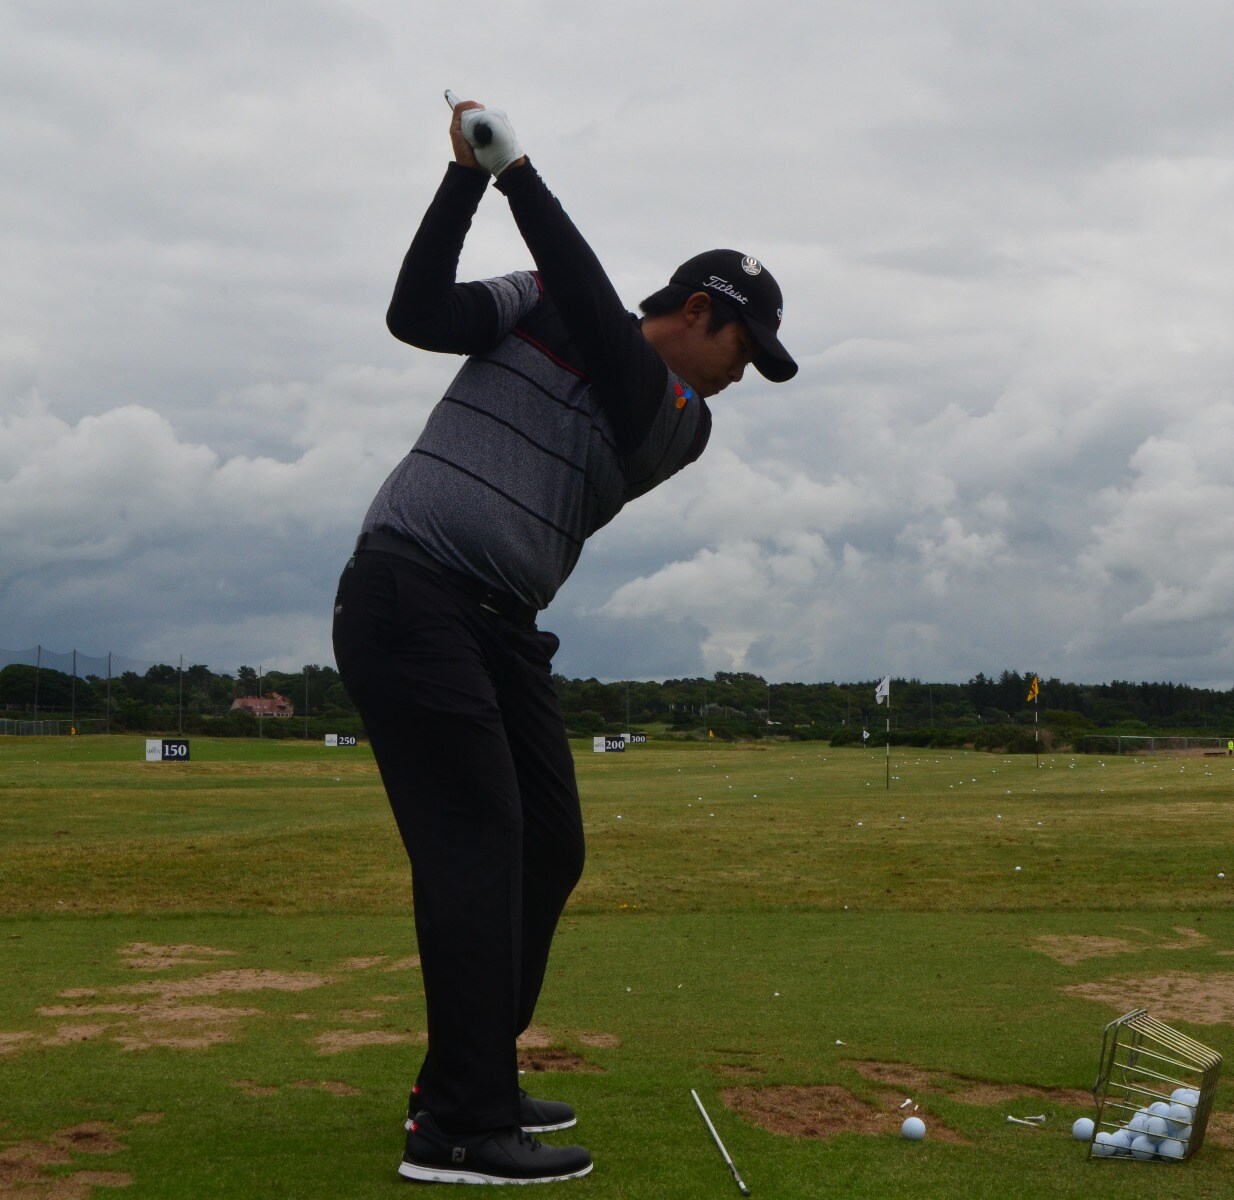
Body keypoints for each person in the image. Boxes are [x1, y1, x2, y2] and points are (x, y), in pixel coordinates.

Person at [331, 95, 797, 1186]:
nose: (745, 371)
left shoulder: (678, 414)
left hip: (500, 628)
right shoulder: (534, 300)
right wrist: (466, 179)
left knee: (547, 847)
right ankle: (460, 1122)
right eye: (746, 345)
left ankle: (469, 1075)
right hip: (410, 598)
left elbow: (598, 320)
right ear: (697, 309)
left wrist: (518, 173)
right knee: (479, 845)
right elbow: (415, 315)